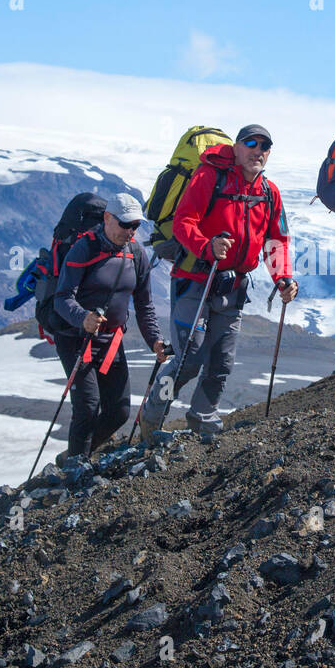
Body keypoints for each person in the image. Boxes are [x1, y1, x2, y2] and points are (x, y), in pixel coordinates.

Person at [140, 124, 297, 440]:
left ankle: (203, 418)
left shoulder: (269, 192)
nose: (258, 150)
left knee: (221, 362)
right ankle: (154, 412)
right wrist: (206, 246)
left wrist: (283, 279)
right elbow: (184, 221)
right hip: (195, 280)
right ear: (236, 148)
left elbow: (276, 241)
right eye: (251, 143)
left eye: (265, 146)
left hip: (233, 287)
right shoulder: (209, 176)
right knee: (188, 360)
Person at [53, 194, 168, 458]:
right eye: (125, 224)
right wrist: (83, 317)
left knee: (119, 412)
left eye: (136, 226)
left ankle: (76, 455)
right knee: (88, 407)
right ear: (107, 218)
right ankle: (74, 473)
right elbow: (62, 298)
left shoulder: (137, 254)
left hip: (111, 341)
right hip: (75, 338)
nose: (130, 231)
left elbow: (144, 305)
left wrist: (155, 341)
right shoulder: (84, 249)